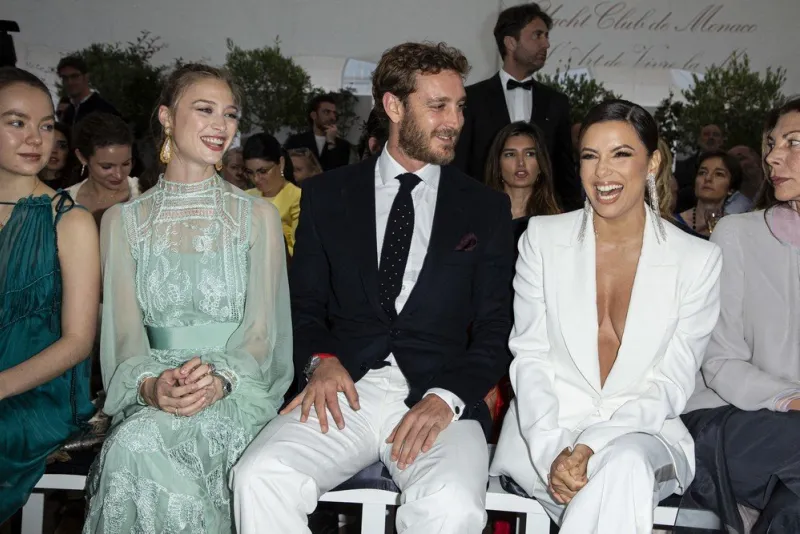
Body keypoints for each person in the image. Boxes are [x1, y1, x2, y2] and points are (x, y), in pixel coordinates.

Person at [231, 41, 514, 534]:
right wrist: (320, 361)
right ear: (393, 106)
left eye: (459, 106)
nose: (455, 120)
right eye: (438, 106)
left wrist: (447, 397)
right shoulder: (326, 195)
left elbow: (496, 328)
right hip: (344, 392)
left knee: (451, 507)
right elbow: (303, 304)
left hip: (441, 398)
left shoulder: (485, 208)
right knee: (259, 476)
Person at [491, 100, 722, 533]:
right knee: (623, 476)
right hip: (544, 439)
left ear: (651, 162)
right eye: (590, 156)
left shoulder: (697, 260)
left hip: (645, 434)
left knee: (627, 461)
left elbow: (672, 384)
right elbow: (530, 358)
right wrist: (555, 454)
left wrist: (590, 447)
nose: (602, 173)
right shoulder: (542, 239)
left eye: (621, 154)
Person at [82, 64, 293, 532]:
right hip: (155, 392)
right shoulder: (122, 222)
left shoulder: (256, 216)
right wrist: (152, 387)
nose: (221, 126)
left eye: (231, 114)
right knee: (132, 448)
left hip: (237, 391)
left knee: (186, 446)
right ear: (165, 116)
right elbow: (122, 335)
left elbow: (262, 331)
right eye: (205, 110)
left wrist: (218, 379)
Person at [682, 97, 800, 534]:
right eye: (772, 143)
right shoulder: (738, 234)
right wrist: (790, 398)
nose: (773, 155)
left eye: (794, 143)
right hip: (723, 421)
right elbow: (720, 361)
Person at [0, 67, 99, 522]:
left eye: (44, 126)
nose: (35, 139)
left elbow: (78, 341)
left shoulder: (69, 220)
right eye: (16, 122)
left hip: (38, 392)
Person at [455, 2, 579, 210]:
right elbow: (459, 167)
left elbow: (564, 172)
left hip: (544, 219)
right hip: (482, 216)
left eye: (546, 36)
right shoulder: (472, 99)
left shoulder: (557, 102)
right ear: (511, 43)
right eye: (537, 35)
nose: (546, 44)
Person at [66, 112, 140, 226]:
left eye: (126, 164)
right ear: (82, 157)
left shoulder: (145, 193)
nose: (119, 175)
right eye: (107, 167)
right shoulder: (63, 203)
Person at [244, 133, 302, 256]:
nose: (256, 179)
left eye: (263, 171)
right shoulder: (245, 197)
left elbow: (300, 250)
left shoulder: (297, 197)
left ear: (281, 163)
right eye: (250, 172)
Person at [675, 150, 743, 238]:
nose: (707, 178)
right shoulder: (673, 224)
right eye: (702, 173)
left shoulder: (736, 230)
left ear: (731, 189)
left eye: (719, 174)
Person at [284, 93, 352, 171]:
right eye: (327, 112)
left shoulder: (343, 146)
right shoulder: (295, 142)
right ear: (314, 115)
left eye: (334, 113)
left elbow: (337, 172)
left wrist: (331, 143)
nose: (332, 117)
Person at [56, 56, 121, 127]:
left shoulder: (104, 111)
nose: (69, 82)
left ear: (86, 77)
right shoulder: (67, 114)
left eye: (74, 76)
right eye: (65, 78)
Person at [674, 123, 724, 211]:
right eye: (706, 134)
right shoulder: (681, 168)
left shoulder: (730, 167)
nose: (711, 138)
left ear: (721, 141)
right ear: (699, 140)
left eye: (715, 135)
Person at [38, 121, 74, 189]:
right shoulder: (21, 183)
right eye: (49, 144)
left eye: (62, 146)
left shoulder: (75, 189)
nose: (54, 151)